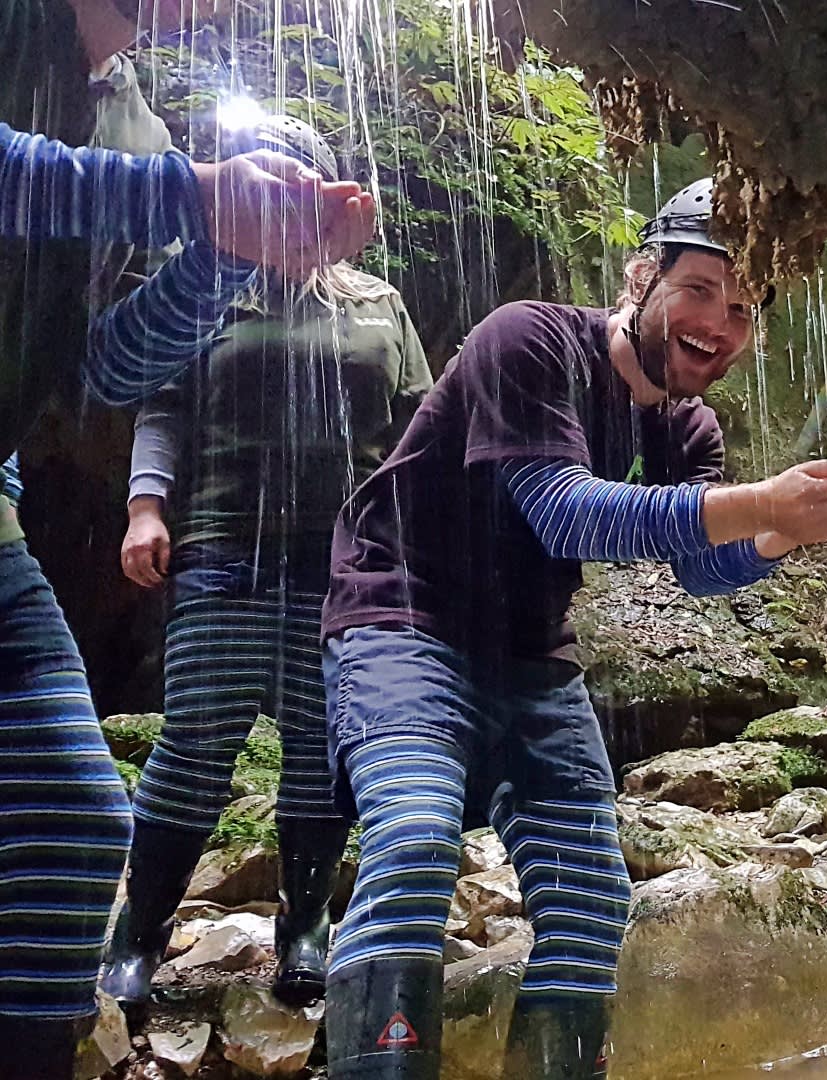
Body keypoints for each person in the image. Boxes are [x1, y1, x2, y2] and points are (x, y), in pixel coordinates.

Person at [319, 177, 827, 1080]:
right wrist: (760, 503)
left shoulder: (688, 428)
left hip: (532, 653)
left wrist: (790, 531)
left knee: (590, 895)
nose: (718, 323)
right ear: (641, 278)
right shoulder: (529, 338)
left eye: (742, 309)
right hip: (403, 616)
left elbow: (702, 571)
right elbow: (567, 515)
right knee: (417, 838)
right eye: (699, 289)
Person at [0, 0, 376, 1070]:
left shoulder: (133, 128)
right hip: (218, 554)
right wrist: (197, 197)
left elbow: (102, 369)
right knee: (182, 749)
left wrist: (221, 250)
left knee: (76, 818)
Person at [104, 115, 434, 1014]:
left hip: (347, 561)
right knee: (196, 742)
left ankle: (305, 927)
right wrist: (145, 507)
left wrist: (426, 537)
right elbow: (163, 405)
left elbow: (417, 428)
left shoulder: (379, 303)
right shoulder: (209, 289)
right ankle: (139, 935)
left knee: (321, 750)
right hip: (222, 549)